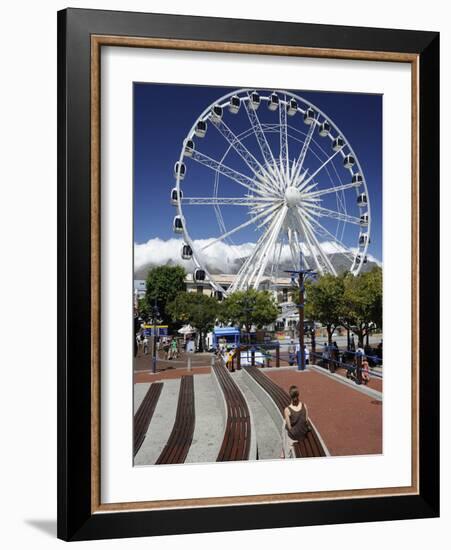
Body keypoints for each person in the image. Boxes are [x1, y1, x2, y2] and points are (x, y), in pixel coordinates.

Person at [281, 385, 310, 459]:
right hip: (303, 433)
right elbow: (306, 421)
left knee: (284, 426)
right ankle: (283, 449)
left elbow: (290, 428)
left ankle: (285, 452)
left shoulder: (287, 410)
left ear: (290, 396)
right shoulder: (304, 406)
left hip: (295, 437)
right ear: (298, 395)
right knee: (285, 424)